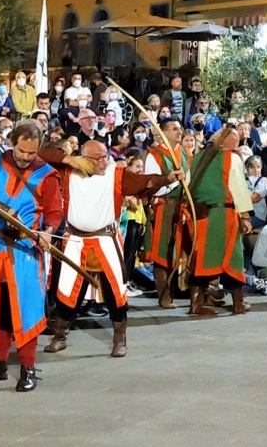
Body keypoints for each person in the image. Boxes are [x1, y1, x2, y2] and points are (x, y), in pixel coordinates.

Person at [39, 140, 180, 355]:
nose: (104, 161)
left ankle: (119, 340)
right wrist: (68, 158)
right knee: (68, 289)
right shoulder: (69, 171)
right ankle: (60, 336)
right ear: (83, 158)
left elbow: (144, 182)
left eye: (105, 156)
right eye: (98, 158)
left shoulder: (116, 174)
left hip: (104, 239)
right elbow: (42, 154)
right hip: (76, 240)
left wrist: (166, 179)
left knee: (115, 291)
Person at [0, 121, 62, 392]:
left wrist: (47, 230)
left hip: (25, 250)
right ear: (13, 143)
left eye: (31, 153)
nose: (25, 157)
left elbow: (55, 211)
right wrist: (3, 210)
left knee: (25, 308)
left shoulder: (46, 174)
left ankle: (28, 367)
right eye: (21, 151)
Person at [183, 126, 255, 316]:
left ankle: (196, 303)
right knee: (233, 257)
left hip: (201, 217)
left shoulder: (196, 158)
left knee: (201, 258)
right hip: (224, 216)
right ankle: (238, 303)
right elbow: (238, 188)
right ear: (226, 141)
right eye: (235, 139)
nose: (238, 142)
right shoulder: (231, 157)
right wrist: (245, 216)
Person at [143, 118, 192, 309]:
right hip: (164, 207)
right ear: (163, 133)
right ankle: (164, 295)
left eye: (179, 129)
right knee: (163, 252)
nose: (179, 132)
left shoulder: (185, 153)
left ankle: (183, 290)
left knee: (181, 250)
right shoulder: (154, 155)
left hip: (182, 207)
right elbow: (152, 185)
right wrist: (171, 181)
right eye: (174, 129)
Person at [244, 155, 267, 227]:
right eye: (252, 167)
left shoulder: (263, 181)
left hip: (258, 216)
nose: (256, 170)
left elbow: (254, 198)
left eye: (258, 167)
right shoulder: (244, 181)